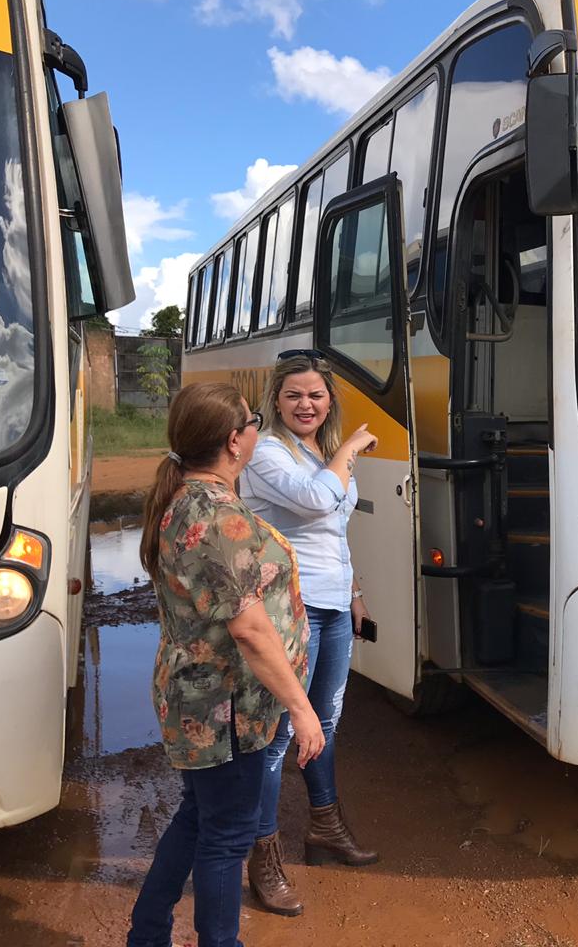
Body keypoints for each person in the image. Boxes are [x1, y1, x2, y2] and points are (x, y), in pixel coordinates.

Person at [127, 382, 326, 947]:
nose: (258, 429)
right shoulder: (219, 516)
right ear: (235, 441)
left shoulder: (188, 499)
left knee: (200, 819)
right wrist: (303, 709)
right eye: (255, 421)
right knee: (227, 837)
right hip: (226, 710)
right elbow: (251, 630)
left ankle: (147, 934)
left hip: (204, 701)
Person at [239, 350, 380, 916]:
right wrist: (348, 450)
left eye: (316, 395)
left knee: (324, 723)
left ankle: (325, 826)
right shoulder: (266, 452)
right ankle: (263, 858)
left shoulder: (322, 452)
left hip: (331, 601)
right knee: (279, 735)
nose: (306, 404)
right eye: (295, 394)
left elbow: (336, 531)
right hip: (287, 607)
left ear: (329, 401)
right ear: (277, 400)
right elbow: (319, 498)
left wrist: (355, 592)